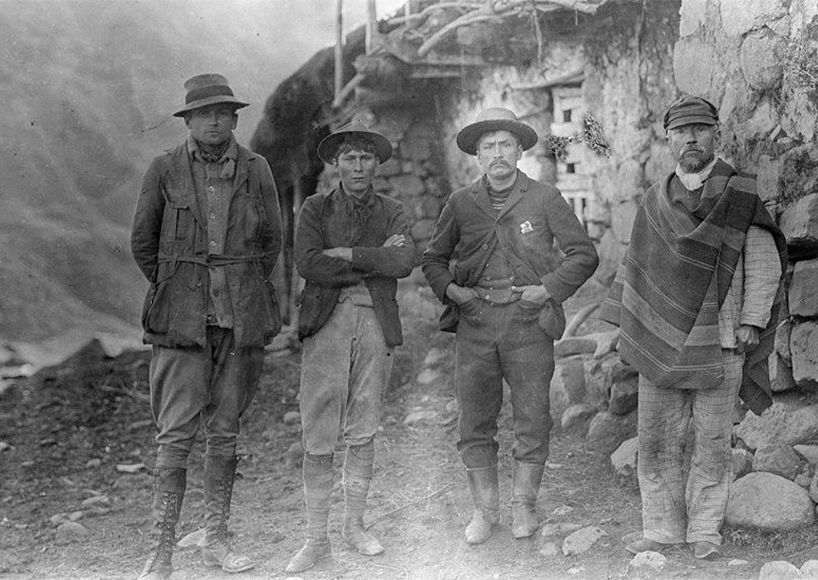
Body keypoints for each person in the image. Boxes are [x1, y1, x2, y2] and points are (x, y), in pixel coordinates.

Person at [598, 95, 787, 560]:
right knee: (656, 439)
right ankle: (661, 529)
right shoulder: (655, 200)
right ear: (668, 141)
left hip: (723, 341)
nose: (691, 139)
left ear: (715, 134)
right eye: (681, 132)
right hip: (661, 345)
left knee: (713, 441)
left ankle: (705, 531)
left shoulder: (740, 194)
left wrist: (750, 321)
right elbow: (636, 266)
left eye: (700, 130)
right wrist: (631, 327)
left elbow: (763, 264)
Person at [130, 73, 283, 579]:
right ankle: (160, 553)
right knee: (174, 435)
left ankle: (216, 539)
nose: (215, 120)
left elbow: (271, 243)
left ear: (235, 118)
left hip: (240, 320)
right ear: (189, 121)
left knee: (226, 431)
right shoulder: (164, 170)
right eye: (204, 113)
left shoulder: (257, 169)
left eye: (224, 112)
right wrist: (181, 286)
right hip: (182, 320)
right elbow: (143, 245)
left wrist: (237, 284)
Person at [422, 107, 598, 544]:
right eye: (488, 147)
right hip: (476, 322)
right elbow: (432, 259)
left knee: (532, 417)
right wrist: (454, 292)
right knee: (474, 420)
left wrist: (549, 289)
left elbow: (583, 254)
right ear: (477, 156)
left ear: (519, 151)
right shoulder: (460, 203)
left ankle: (524, 507)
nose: (497, 153)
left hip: (528, 321)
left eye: (505, 145)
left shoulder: (545, 197)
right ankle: (485, 510)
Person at [284, 121, 416, 573]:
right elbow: (307, 262)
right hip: (328, 321)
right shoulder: (316, 209)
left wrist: (346, 254)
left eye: (365, 158)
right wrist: (372, 258)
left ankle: (354, 526)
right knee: (319, 427)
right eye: (349, 158)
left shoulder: (393, 210)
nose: (357, 166)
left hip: (376, 320)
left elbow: (403, 261)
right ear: (335, 163)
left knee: (364, 423)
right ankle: (315, 538)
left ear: (377, 164)